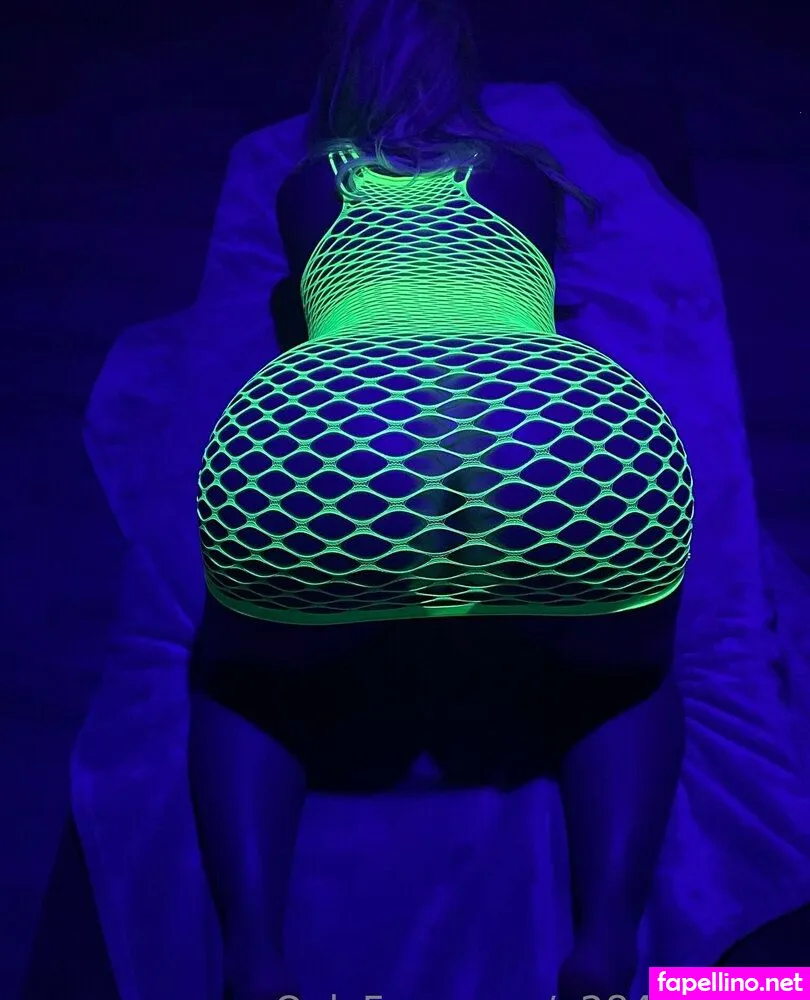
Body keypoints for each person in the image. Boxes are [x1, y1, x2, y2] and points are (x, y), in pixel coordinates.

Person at [188, 1, 694, 997]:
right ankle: (605, 948)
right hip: (546, 444)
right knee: (626, 677)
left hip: (348, 445)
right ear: (463, 72)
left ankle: (254, 956)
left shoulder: (305, 188)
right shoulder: (525, 175)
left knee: (243, 680)